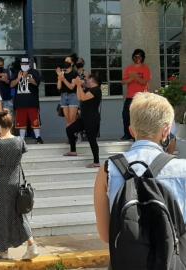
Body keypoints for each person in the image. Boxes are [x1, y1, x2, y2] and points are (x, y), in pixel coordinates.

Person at [94, 93, 186, 267]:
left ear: (131, 130)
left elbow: (106, 235)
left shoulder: (108, 169)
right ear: (166, 131)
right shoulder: (182, 169)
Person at [0, 111, 39, 260]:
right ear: (12, 125)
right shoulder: (19, 141)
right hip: (15, 183)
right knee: (19, 216)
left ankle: (3, 250)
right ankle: (31, 245)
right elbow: (22, 153)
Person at [65, 74, 102, 168]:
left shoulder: (96, 89)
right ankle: (73, 151)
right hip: (84, 118)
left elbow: (83, 97)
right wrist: (79, 85)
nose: (86, 80)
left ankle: (96, 162)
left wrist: (78, 84)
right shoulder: (89, 89)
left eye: (88, 79)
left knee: (91, 139)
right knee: (70, 129)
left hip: (92, 119)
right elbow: (79, 97)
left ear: (92, 80)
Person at [10, 57, 43, 144]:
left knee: (35, 121)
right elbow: (11, 85)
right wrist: (18, 78)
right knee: (21, 122)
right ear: (20, 64)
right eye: (22, 64)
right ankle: (21, 139)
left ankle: (38, 137)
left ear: (29, 64)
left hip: (32, 102)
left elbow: (36, 83)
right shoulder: (16, 72)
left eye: (26, 64)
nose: (24, 65)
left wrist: (27, 77)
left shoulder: (34, 72)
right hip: (20, 102)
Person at [121, 48, 151, 141]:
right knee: (126, 115)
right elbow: (123, 82)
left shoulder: (145, 68)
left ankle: (138, 136)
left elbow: (144, 82)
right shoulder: (129, 68)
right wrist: (132, 78)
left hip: (142, 97)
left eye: (139, 56)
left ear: (142, 58)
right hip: (130, 96)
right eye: (135, 56)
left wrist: (135, 77)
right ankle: (127, 134)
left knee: (140, 116)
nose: (137, 58)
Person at [57, 53, 79, 126]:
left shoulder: (75, 73)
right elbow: (59, 87)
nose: (65, 63)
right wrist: (60, 77)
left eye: (68, 61)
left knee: (72, 120)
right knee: (68, 120)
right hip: (63, 96)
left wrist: (63, 79)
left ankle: (75, 135)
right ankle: (71, 136)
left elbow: (71, 87)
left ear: (72, 63)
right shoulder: (62, 73)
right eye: (65, 61)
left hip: (73, 96)